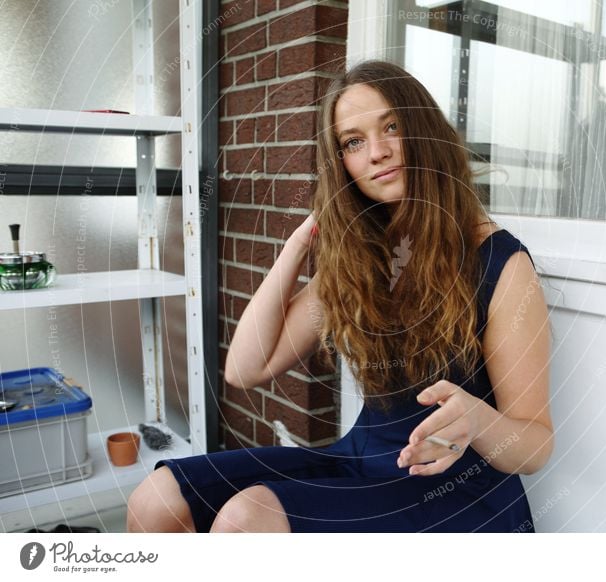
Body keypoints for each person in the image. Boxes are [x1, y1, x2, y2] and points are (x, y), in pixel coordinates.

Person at [126, 59, 554, 533]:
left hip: (458, 488)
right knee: (157, 501)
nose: (377, 152)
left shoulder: (501, 262)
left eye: (392, 126)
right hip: (361, 460)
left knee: (245, 521)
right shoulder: (365, 262)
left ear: (425, 130)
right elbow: (245, 369)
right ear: (342, 165)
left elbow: (535, 444)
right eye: (353, 142)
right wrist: (299, 243)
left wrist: (475, 417)